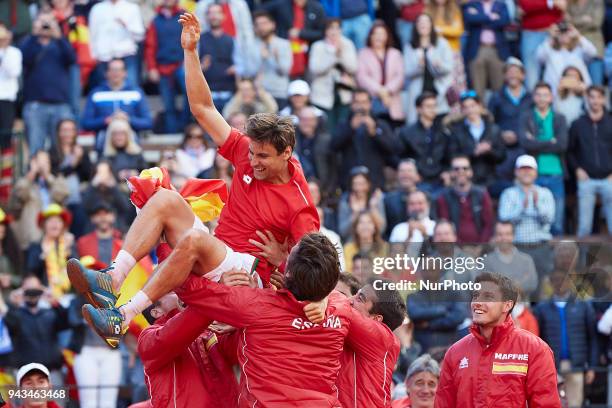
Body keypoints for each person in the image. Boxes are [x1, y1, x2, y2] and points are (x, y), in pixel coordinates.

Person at [68, 12, 319, 344]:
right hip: (221, 250)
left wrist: (280, 259)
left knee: (196, 240)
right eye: (252, 153)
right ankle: (112, 280)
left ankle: (123, 316)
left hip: (245, 274)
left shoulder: (299, 205)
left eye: (262, 157)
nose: (252, 162)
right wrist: (190, 51)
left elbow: (314, 271)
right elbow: (202, 108)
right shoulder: (248, 152)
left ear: (287, 153)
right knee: (164, 198)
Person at [434, 272, 561, 407]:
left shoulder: (535, 349)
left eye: (488, 297)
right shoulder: (455, 352)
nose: (477, 303)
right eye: (475, 296)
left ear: (507, 305)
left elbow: (546, 404)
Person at [138, 289, 240, 407]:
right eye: (170, 292)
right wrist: (210, 298)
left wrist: (239, 324)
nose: (179, 290)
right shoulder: (147, 338)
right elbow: (181, 328)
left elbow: (238, 351)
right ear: (156, 312)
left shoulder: (209, 329)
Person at [535, 268, 598, 408]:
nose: (560, 283)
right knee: (551, 403)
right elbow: (537, 340)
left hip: (577, 365)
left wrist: (592, 367)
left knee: (575, 403)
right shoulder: (542, 308)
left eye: (563, 279)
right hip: (551, 367)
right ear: (550, 283)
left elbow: (592, 338)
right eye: (555, 280)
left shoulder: (583, 306)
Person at [336, 279, 405, 407]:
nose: (349, 300)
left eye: (360, 298)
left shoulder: (383, 337)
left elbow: (343, 310)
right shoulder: (345, 330)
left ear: (376, 319)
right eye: (356, 294)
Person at [20, 11, 75, 155]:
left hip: (60, 103)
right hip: (35, 104)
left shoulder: (60, 43)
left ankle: (61, 174)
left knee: (61, 147)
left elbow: (71, 59)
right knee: (36, 145)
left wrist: (58, 35)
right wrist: (34, 34)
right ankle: (37, 175)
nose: (45, 25)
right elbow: (23, 58)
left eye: (49, 21)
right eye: (42, 21)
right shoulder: (29, 42)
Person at [518, 82, 568, 235]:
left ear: (551, 98)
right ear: (533, 97)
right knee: (534, 218)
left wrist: (536, 142)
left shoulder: (559, 118)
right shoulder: (526, 117)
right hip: (534, 174)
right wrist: (549, 141)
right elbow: (526, 144)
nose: (542, 98)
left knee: (557, 221)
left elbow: (562, 145)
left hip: (556, 173)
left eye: (545, 95)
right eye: (538, 95)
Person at [4, 276, 70, 389]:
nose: (32, 293)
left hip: (52, 372)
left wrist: (54, 302)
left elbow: (67, 323)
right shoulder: (16, 314)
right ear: (21, 290)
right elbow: (10, 325)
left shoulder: (50, 312)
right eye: (28, 289)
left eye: (35, 289)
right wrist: (15, 305)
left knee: (56, 405)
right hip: (24, 375)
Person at [498, 154, 555, 279]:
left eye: (529, 169)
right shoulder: (508, 193)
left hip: (541, 247)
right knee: (517, 286)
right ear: (516, 172)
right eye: (522, 169)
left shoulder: (545, 193)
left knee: (542, 290)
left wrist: (537, 205)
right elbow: (504, 219)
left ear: (535, 172)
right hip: (518, 248)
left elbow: (550, 219)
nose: (526, 172)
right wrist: (521, 209)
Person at [568, 85, 612, 237]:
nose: (595, 101)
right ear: (587, 99)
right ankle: (583, 261)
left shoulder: (610, 122)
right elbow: (570, 151)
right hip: (586, 179)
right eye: (592, 97)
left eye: (599, 97)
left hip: (609, 178)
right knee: (584, 228)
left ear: (604, 99)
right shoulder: (578, 124)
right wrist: (577, 169)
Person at [81, 59, 153, 152]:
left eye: (119, 70)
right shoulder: (96, 93)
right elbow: (86, 123)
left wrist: (128, 119)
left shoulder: (136, 92)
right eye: (113, 70)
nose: (116, 73)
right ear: (106, 73)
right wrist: (106, 120)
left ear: (125, 73)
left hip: (130, 143)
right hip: (104, 144)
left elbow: (148, 122)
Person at [332, 90, 397, 191]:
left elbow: (392, 148)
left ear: (370, 104)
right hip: (350, 182)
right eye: (357, 102)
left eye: (364, 102)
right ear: (352, 104)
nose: (360, 106)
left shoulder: (381, 124)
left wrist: (375, 133)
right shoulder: (343, 124)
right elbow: (333, 146)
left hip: (375, 181)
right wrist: (350, 129)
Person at [487, 57, 532, 197]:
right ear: (505, 75)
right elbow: (490, 122)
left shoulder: (531, 98)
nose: (512, 75)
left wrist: (520, 135)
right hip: (504, 149)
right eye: (509, 72)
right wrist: (501, 134)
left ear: (523, 75)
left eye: (516, 71)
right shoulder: (496, 97)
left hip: (525, 147)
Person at [9, 151, 69, 251]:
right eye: (39, 162)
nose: (42, 165)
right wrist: (32, 173)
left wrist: (48, 176)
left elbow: (62, 195)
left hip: (55, 240)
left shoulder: (56, 181)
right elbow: (20, 196)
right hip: (32, 240)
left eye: (46, 162)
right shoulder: (25, 183)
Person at [145, 0, 189, 133]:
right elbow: (150, 46)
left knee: (192, 97)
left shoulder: (184, 16)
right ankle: (172, 133)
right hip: (163, 67)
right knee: (168, 105)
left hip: (182, 65)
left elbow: (193, 40)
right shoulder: (155, 21)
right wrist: (152, 68)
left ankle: (185, 127)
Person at [447, 91, 506, 189]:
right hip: (467, 180)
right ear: (462, 110)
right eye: (466, 107)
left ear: (480, 106)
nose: (470, 110)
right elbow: (452, 155)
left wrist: (489, 151)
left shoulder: (493, 129)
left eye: (472, 106)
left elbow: (502, 156)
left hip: (491, 179)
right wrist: (474, 152)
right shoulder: (456, 131)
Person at [308, 17, 358, 130]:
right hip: (322, 96)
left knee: (343, 128)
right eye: (330, 28)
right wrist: (333, 56)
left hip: (344, 94)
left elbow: (353, 68)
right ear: (325, 31)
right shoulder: (318, 46)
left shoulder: (348, 44)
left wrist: (341, 55)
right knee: (326, 128)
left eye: (337, 28)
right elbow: (315, 69)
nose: (334, 31)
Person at [403, 14, 453, 124]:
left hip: (438, 91)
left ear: (431, 25)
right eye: (420, 22)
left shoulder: (442, 43)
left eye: (426, 22)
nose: (423, 24)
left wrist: (439, 65)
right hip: (418, 92)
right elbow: (406, 72)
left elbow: (449, 68)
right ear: (415, 26)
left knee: (439, 124)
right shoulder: (410, 46)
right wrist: (419, 66)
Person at [259, 0, 326, 78]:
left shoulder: (316, 8)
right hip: (286, 52)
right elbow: (260, 11)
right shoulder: (282, 4)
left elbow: (322, 33)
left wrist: (301, 33)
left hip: (307, 55)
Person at [399, 93, 449, 197]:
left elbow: (449, 155)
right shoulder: (407, 132)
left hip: (440, 180)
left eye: (434, 106)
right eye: (428, 106)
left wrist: (447, 171)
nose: (432, 110)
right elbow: (399, 156)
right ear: (418, 109)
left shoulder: (443, 132)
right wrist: (411, 173)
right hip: (417, 181)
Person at [436, 155, 495, 244]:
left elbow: (488, 225)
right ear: (451, 172)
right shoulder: (443, 197)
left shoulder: (482, 194)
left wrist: (480, 246)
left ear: (471, 172)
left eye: (465, 168)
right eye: (456, 169)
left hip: (480, 248)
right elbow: (445, 227)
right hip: (454, 249)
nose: (461, 171)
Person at [50, 119, 92, 238]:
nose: (68, 133)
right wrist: (74, 162)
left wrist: (80, 158)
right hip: (58, 200)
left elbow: (88, 174)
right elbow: (56, 175)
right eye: (64, 130)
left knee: (79, 230)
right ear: (58, 133)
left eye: (71, 130)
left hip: (78, 200)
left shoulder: (81, 150)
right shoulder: (52, 152)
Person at [357, 20, 405, 123]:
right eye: (375, 34)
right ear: (370, 36)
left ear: (387, 36)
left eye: (382, 34)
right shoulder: (363, 54)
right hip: (372, 99)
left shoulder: (395, 53)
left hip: (392, 99)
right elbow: (362, 77)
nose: (378, 37)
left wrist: (387, 91)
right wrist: (380, 91)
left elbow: (400, 76)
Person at [88, 0, 144, 88]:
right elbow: (92, 35)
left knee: (131, 89)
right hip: (104, 57)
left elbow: (140, 36)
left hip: (127, 55)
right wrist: (94, 56)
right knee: (104, 90)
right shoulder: (97, 9)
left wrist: (127, 25)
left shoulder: (132, 8)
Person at [462, 0, 510, 100]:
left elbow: (504, 21)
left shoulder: (501, 5)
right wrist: (491, 17)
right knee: (477, 88)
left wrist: (480, 18)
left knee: (499, 87)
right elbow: (469, 19)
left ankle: (497, 114)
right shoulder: (471, 4)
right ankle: (479, 114)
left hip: (497, 50)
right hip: (477, 50)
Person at [26, 204, 75, 298]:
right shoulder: (36, 246)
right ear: (44, 225)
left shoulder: (69, 243)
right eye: (51, 221)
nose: (55, 224)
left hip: (68, 294)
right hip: (44, 295)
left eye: (58, 221)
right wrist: (43, 255)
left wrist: (68, 250)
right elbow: (31, 271)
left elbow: (77, 270)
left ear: (63, 226)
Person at [536, 23, 597, 94]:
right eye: (561, 33)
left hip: (579, 93)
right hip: (556, 94)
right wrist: (551, 37)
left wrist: (578, 36)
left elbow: (593, 53)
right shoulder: (550, 51)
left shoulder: (579, 50)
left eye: (566, 33)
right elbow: (539, 57)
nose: (564, 35)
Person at [198, 3, 238, 112]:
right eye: (211, 13)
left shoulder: (232, 40)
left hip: (229, 94)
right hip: (207, 96)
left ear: (223, 16)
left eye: (217, 13)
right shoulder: (199, 40)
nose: (214, 16)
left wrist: (236, 68)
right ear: (206, 17)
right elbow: (189, 68)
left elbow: (241, 65)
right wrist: (201, 67)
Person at [483, 221, 538, 299]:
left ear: (513, 236)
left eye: (507, 234)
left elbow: (532, 284)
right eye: (500, 234)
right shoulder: (487, 261)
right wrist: (518, 283)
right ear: (495, 237)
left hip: (522, 308)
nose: (504, 238)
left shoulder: (526, 260)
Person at [518, 0, 564, 89]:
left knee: (556, 73)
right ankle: (532, 102)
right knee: (531, 76)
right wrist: (550, 2)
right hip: (532, 34)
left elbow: (562, 6)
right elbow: (526, 5)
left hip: (553, 34)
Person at [253, 10, 292, 108]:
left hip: (278, 93)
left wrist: (270, 58)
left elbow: (285, 70)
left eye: (264, 23)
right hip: (257, 94)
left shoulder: (283, 44)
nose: (261, 27)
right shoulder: (252, 45)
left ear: (273, 25)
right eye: (258, 24)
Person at [425, 0, 466, 94]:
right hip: (435, 52)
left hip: (453, 52)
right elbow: (425, 30)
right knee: (439, 83)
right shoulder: (427, 10)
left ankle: (456, 107)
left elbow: (458, 31)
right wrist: (447, 30)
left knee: (455, 83)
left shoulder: (454, 11)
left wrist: (438, 29)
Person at [336, 166, 386, 241]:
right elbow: (343, 232)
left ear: (368, 184)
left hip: (374, 243)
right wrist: (355, 214)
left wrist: (373, 208)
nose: (359, 188)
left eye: (362, 184)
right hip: (352, 244)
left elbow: (382, 229)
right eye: (356, 184)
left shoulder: (376, 200)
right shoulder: (345, 203)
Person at [566, 0, 605, 85]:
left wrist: (575, 23)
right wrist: (584, 19)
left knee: (596, 86)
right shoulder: (570, 2)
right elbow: (567, 23)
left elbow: (596, 23)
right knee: (574, 84)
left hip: (595, 46)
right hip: (574, 47)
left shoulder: (597, 1)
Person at [0, 23, 21, 163]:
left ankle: (5, 183)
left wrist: (3, 50)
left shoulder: (14, 52)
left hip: (6, 100)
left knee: (5, 140)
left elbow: (13, 71)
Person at [294, 107, 333, 184]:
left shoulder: (326, 140)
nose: (306, 123)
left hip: (321, 186)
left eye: (310, 120)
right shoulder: (291, 139)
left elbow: (333, 166)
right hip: (298, 184)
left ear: (316, 121)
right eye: (303, 120)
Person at [384, 159, 421, 237]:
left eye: (409, 171)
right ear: (397, 174)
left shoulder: (426, 197)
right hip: (396, 245)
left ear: (417, 175)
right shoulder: (388, 200)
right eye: (402, 171)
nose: (405, 174)